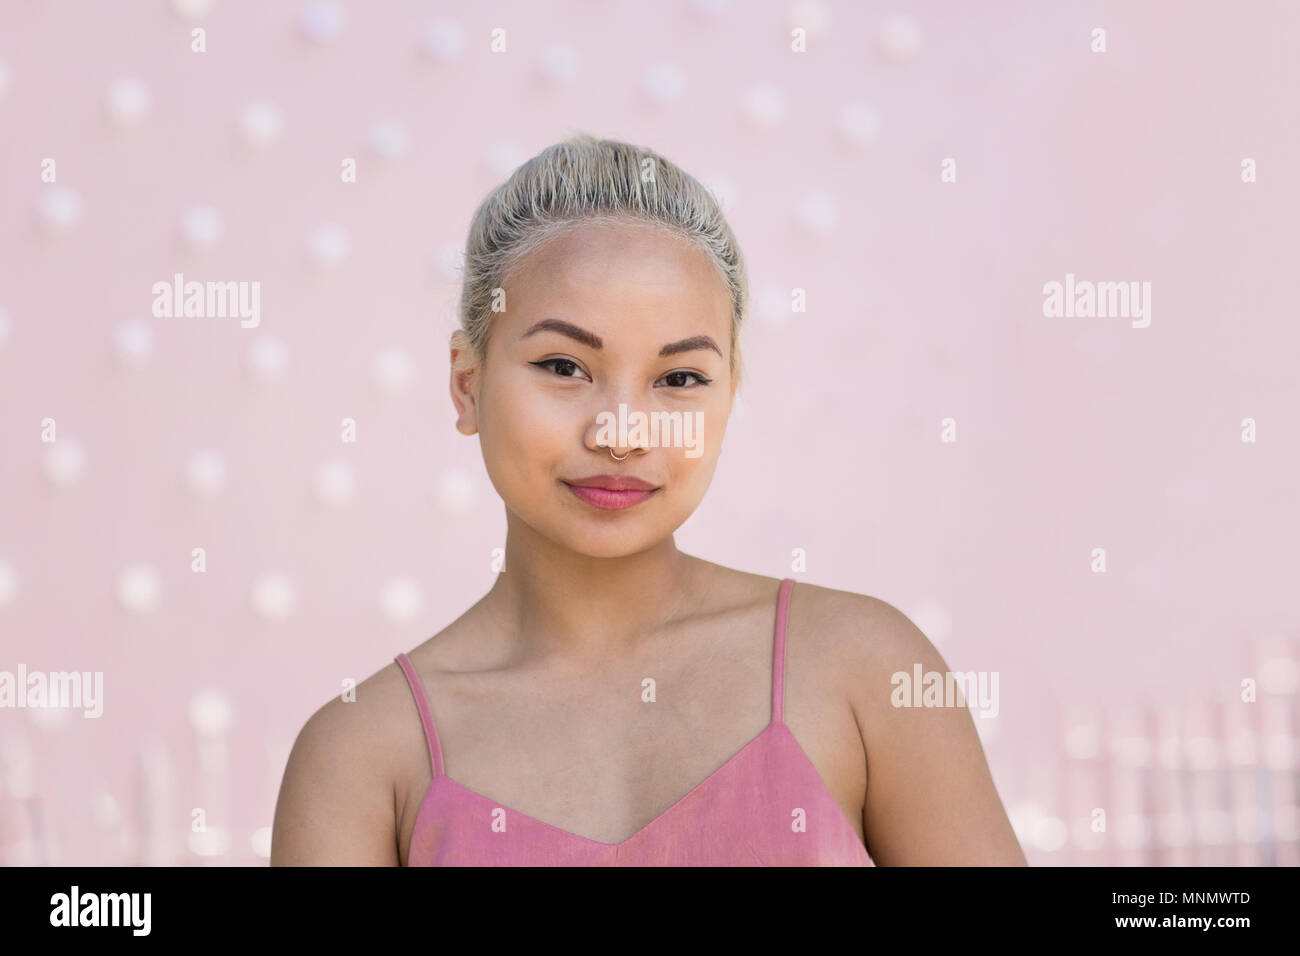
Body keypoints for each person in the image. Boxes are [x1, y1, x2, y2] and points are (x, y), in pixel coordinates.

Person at [271, 133, 1026, 866]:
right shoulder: (360, 757)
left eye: (680, 379)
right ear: (467, 383)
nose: (621, 433)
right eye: (565, 365)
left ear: (730, 396)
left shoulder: (865, 669)